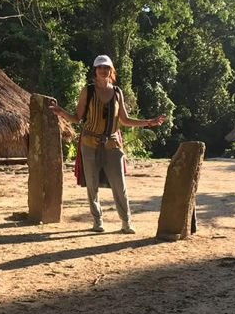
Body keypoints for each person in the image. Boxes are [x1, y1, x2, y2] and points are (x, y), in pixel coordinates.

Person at [49, 55, 167, 233]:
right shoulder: (87, 91)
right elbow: (77, 118)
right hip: (89, 142)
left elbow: (125, 120)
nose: (103, 70)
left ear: (111, 71)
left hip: (112, 143)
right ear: (95, 71)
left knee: (119, 185)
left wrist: (149, 122)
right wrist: (61, 112)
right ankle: (98, 222)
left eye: (106, 68)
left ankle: (126, 222)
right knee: (92, 185)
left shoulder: (117, 92)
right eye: (100, 68)